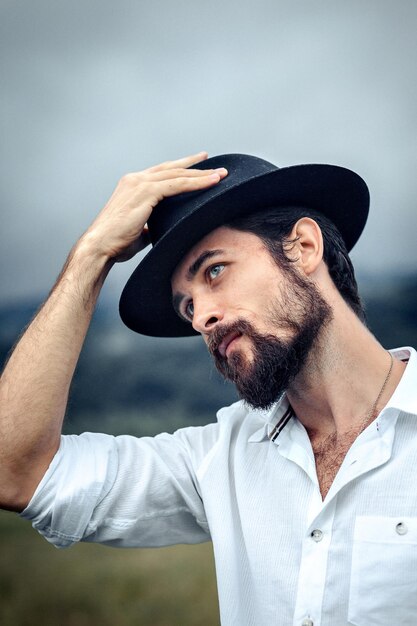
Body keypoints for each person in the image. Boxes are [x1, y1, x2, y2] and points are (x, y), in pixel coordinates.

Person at [0, 151, 415, 626]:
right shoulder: (218, 460)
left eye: (214, 270)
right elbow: (14, 471)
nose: (201, 318)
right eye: (187, 307)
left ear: (302, 247)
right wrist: (91, 254)